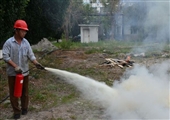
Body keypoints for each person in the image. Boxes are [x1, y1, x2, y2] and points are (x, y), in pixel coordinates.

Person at [2, 19, 44, 119]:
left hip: (24, 72)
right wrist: (15, 66)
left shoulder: (26, 43)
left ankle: (24, 108)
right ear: (16, 31)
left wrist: (36, 63)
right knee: (14, 93)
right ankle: (16, 111)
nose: (24, 33)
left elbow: (31, 55)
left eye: (25, 31)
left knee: (25, 92)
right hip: (13, 73)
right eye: (22, 31)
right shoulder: (9, 43)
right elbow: (5, 57)